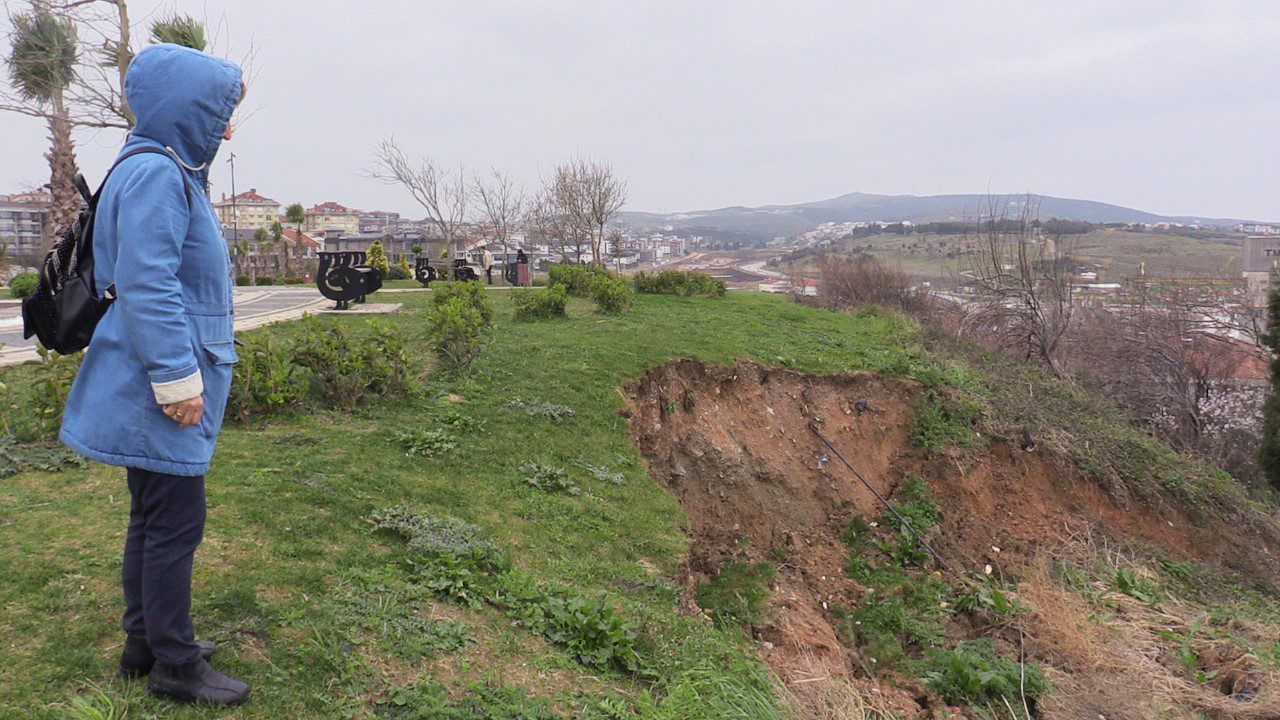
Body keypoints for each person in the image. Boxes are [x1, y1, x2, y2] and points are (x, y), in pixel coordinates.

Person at [59, 43, 250, 707]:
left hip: (155, 382)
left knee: (153, 519)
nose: (227, 128)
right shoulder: (157, 177)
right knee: (175, 524)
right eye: (218, 111)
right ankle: (175, 665)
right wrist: (178, 382)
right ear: (184, 108)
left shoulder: (161, 171)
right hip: (158, 388)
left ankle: (144, 645)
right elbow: (148, 285)